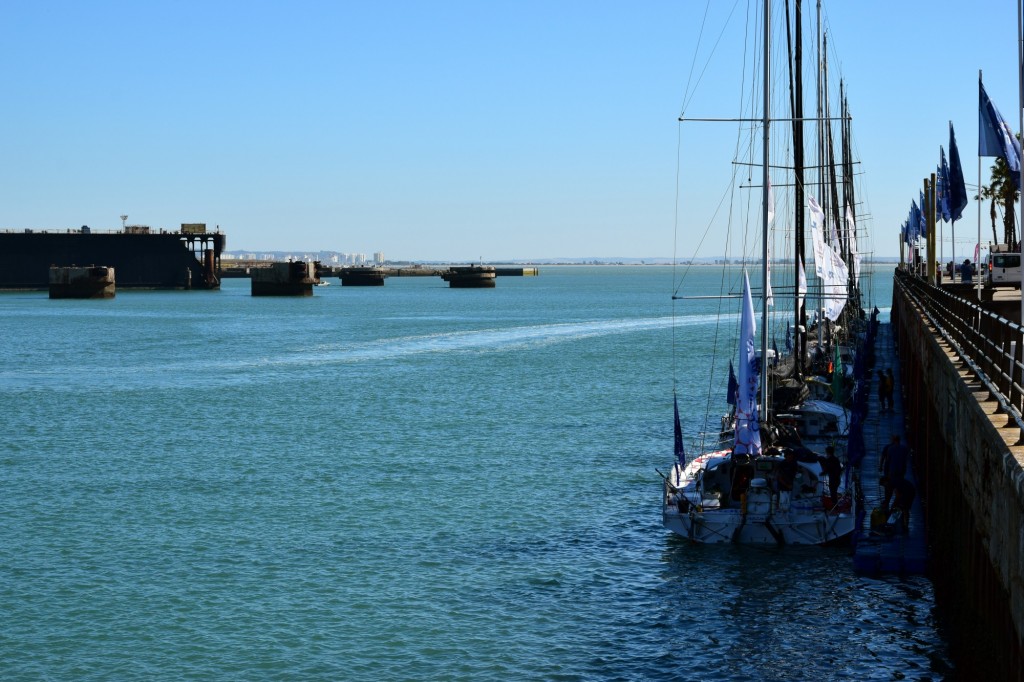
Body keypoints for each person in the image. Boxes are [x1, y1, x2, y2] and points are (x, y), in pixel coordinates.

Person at [880, 433, 910, 510]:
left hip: (892, 473)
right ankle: (896, 506)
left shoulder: (890, 448)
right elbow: (905, 462)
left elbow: (887, 461)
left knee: (888, 490)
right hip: (900, 473)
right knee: (899, 490)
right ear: (899, 440)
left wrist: (883, 469)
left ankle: (887, 504)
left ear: (893, 440)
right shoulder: (904, 449)